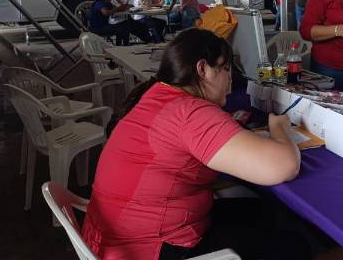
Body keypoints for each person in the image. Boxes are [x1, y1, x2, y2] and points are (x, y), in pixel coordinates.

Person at [81, 29, 305, 260]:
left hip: (121, 236)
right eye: (225, 68)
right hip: (150, 248)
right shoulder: (188, 112)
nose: (230, 78)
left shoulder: (158, 94)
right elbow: (285, 166)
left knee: (261, 211)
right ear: (202, 70)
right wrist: (280, 127)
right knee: (293, 246)